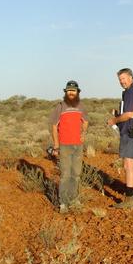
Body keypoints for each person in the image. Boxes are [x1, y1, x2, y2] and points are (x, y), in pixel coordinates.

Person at [106, 68, 133, 209]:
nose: (122, 82)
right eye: (120, 80)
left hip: (130, 134)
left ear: (131, 77)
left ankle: (129, 200)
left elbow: (129, 114)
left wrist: (114, 120)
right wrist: (119, 114)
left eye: (124, 78)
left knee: (128, 165)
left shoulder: (130, 91)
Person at [49, 80, 89, 213]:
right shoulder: (60, 107)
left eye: (74, 90)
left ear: (78, 92)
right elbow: (54, 126)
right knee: (65, 174)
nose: (71, 92)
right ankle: (63, 203)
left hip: (78, 145)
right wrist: (56, 145)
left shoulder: (81, 106)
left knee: (76, 174)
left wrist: (83, 133)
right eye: (69, 90)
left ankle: (74, 199)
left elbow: (86, 121)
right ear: (65, 92)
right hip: (64, 145)